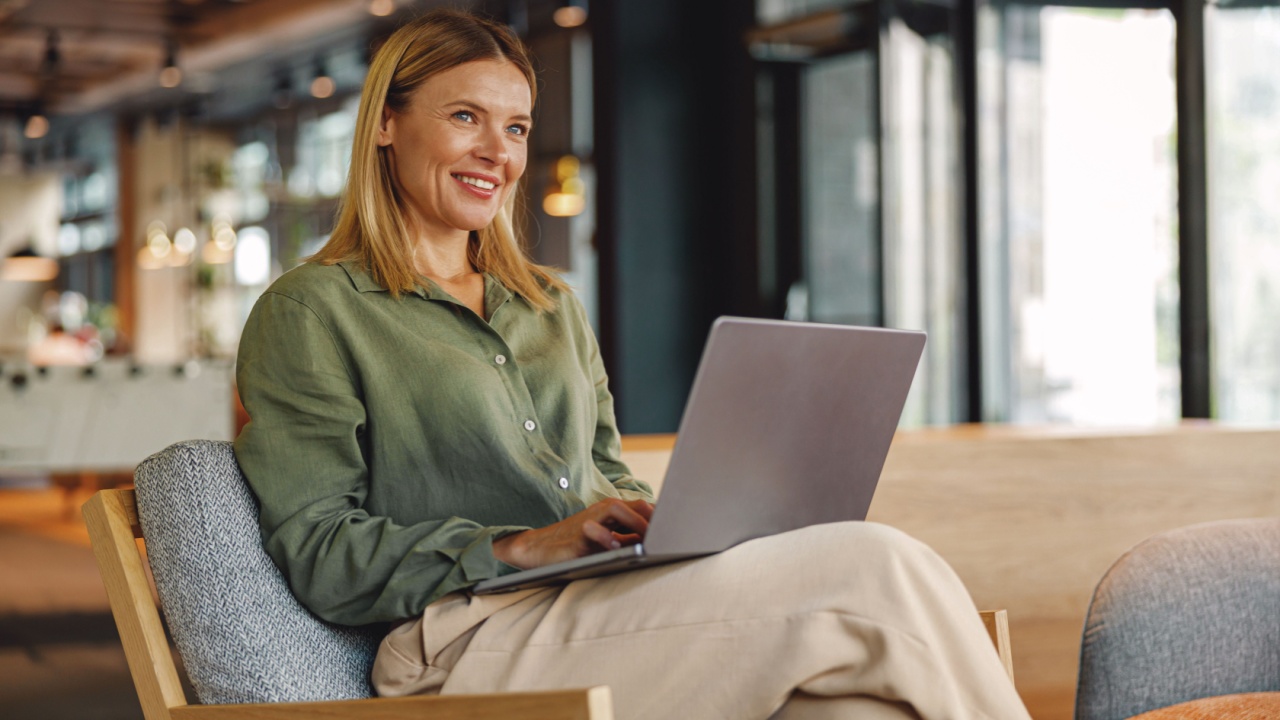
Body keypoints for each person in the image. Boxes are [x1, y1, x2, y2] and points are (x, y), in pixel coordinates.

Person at [232, 9, 1032, 720]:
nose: (497, 153)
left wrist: (667, 526)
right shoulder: (313, 310)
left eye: (517, 128)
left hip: (603, 606)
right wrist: (521, 546)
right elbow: (318, 550)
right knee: (875, 562)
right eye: (466, 117)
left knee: (859, 706)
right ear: (386, 123)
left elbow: (606, 473)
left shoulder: (549, 304)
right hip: (461, 644)